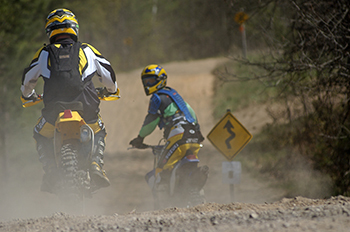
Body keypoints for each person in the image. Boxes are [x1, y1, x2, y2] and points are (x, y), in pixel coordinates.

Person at [20, 8, 119, 193]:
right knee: (99, 130)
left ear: (50, 31)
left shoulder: (44, 53)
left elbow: (27, 80)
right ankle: (96, 165)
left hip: (53, 112)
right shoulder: (87, 50)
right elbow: (109, 75)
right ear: (74, 29)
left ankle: (50, 172)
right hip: (87, 109)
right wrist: (110, 90)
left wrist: (27, 95)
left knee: (39, 134)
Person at [129, 64, 206, 188]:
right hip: (193, 135)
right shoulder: (174, 95)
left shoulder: (156, 98)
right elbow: (190, 111)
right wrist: (198, 131)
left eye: (151, 80)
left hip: (178, 134)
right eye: (146, 81)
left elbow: (151, 121)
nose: (148, 84)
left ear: (160, 80)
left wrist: (140, 138)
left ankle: (164, 193)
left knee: (162, 167)